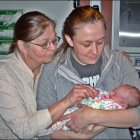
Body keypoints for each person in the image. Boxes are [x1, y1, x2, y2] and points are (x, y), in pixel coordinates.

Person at [37, 6, 140, 139]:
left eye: (100, 42)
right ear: (69, 40)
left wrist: (91, 115)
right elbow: (41, 127)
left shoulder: (119, 62)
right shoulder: (52, 70)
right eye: (86, 44)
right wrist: (80, 137)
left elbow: (137, 114)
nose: (95, 51)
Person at [0, 11, 98, 139]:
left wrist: (114, 56)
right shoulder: (4, 75)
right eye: (44, 44)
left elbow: (73, 51)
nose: (52, 48)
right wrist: (67, 101)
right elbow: (24, 129)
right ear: (22, 47)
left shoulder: (47, 63)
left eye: (54, 40)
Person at [44, 84, 140, 135]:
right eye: (114, 90)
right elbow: (101, 93)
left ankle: (47, 129)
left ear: (123, 105)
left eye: (116, 95)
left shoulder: (115, 107)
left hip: (77, 122)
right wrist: (97, 92)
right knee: (58, 117)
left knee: (61, 122)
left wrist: (91, 115)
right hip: (75, 110)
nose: (111, 93)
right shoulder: (109, 96)